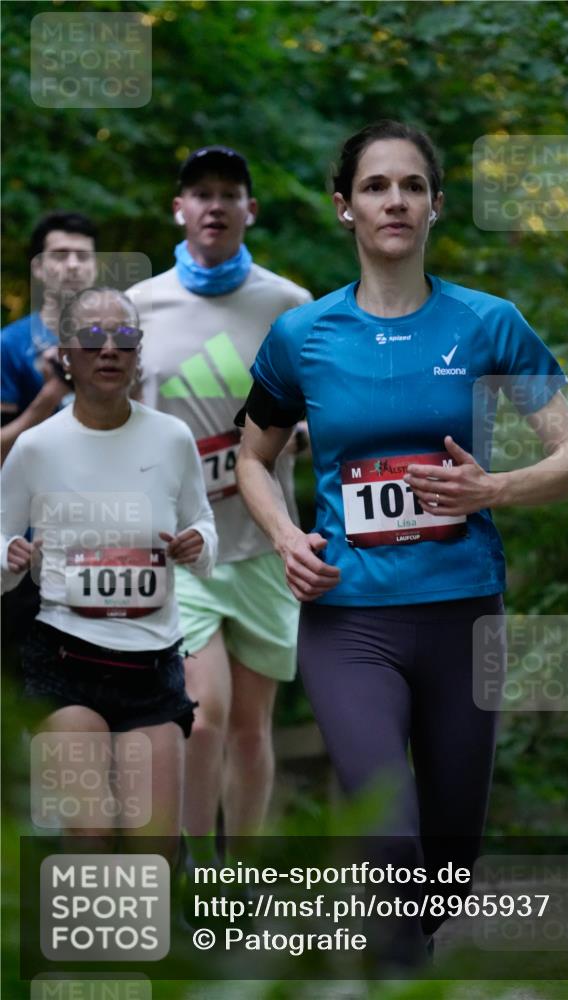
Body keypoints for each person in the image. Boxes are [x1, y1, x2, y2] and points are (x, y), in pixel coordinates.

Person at [235, 120, 568, 968]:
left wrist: (492, 489)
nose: (392, 200)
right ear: (343, 209)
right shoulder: (303, 336)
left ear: (434, 206)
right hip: (349, 616)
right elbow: (252, 457)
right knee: (387, 841)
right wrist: (286, 535)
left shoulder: (487, 322)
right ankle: (391, 981)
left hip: (463, 614)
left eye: (410, 186)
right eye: (374, 186)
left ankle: (406, 950)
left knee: (446, 860)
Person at [127, 146, 311, 851]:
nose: (213, 205)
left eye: (228, 194)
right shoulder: (140, 306)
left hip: (266, 541)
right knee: (202, 718)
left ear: (249, 211)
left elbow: (324, 409)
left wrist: (297, 434)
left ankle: (242, 873)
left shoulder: (288, 305)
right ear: (179, 209)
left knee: (247, 728)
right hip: (182, 545)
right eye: (199, 193)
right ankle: (195, 869)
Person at [0, 287, 217, 843]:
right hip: (63, 663)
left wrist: (197, 544)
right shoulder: (35, 447)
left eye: (125, 336)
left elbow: (204, 525)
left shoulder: (171, 438)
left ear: (139, 352)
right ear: (66, 355)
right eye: (93, 337)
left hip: (151, 668)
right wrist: (10, 556)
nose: (110, 349)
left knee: (156, 844)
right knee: (91, 832)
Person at [1, 211, 98, 464]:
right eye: (60, 255)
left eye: (83, 256)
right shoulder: (10, 344)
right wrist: (51, 394)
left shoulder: (120, 341)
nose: (74, 265)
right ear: (38, 268)